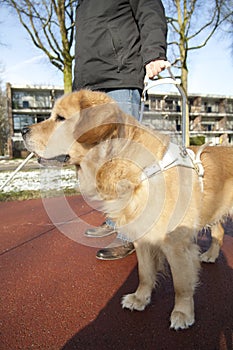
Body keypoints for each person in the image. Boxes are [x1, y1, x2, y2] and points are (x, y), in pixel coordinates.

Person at [73, 0, 168, 260]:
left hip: (119, 77)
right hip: (87, 84)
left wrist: (154, 53)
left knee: (125, 161)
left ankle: (130, 234)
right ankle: (115, 219)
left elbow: (150, 10)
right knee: (101, 162)